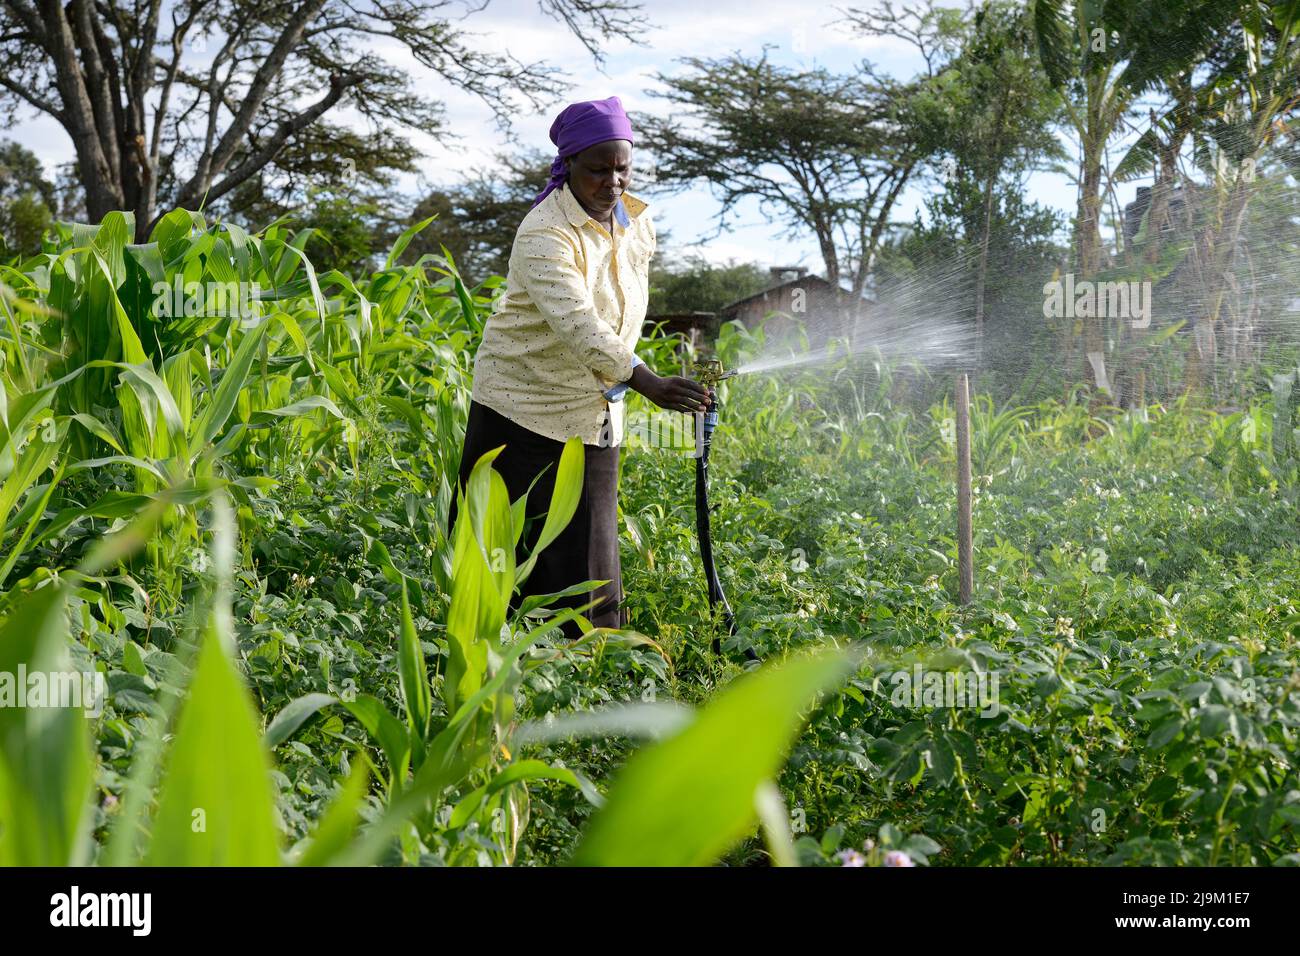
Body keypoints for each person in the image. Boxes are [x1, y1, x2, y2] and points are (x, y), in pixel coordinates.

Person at [448, 95, 713, 638]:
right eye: (598, 169)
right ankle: (496, 667)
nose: (612, 181)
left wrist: (645, 377)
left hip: (594, 410)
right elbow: (580, 325)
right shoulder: (545, 232)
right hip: (520, 409)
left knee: (592, 552)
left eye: (623, 168)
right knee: (507, 553)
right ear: (568, 165)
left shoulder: (638, 223)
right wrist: (648, 382)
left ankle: (593, 672)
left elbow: (623, 310)